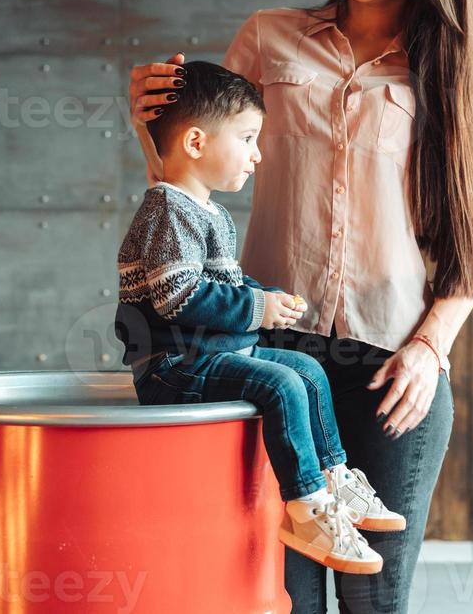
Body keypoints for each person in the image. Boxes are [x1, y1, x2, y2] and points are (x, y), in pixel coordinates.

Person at [127, 0, 473, 613]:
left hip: (391, 371)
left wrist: (431, 346)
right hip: (273, 365)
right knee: (286, 596)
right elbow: (189, 169)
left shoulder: (448, 70)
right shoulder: (271, 40)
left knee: (374, 598)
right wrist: (148, 118)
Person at [114, 59, 408, 577]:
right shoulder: (167, 209)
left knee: (308, 370)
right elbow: (177, 299)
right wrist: (258, 309)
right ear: (197, 144)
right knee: (281, 385)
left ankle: (335, 475)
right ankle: (306, 508)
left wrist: (265, 296)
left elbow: (224, 285)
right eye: (248, 139)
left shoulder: (211, 212)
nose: (258, 155)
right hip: (173, 365)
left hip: (211, 354)